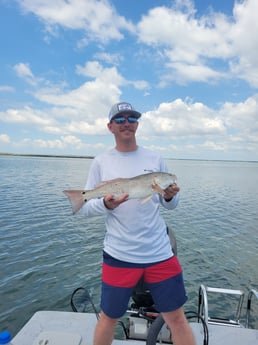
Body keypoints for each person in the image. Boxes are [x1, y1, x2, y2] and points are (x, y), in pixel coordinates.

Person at [81, 102, 196, 345]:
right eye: (120, 119)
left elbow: (171, 205)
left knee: (176, 318)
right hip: (119, 254)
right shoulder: (101, 162)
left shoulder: (155, 158)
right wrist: (106, 205)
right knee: (108, 318)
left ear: (137, 124)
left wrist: (169, 195)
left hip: (160, 253)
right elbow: (86, 208)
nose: (127, 123)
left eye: (132, 118)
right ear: (110, 126)